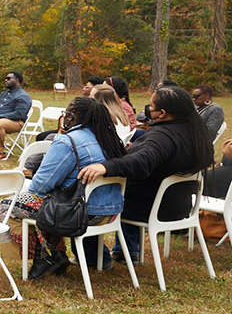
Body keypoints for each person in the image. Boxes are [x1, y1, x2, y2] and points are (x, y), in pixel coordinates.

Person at [79, 85, 215, 263]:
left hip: (150, 208)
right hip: (179, 206)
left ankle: (95, 258)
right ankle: (126, 251)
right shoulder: (195, 132)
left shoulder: (162, 137)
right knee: (132, 191)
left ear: (162, 113)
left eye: (151, 106)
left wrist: (105, 167)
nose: (148, 109)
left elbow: (141, 161)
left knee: (93, 198)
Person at [0, 97, 126, 278]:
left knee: (8, 205)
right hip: (111, 211)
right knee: (46, 203)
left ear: (72, 117)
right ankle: (58, 255)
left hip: (79, 213)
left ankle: (41, 259)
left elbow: (40, 186)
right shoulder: (108, 138)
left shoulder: (67, 141)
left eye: (65, 114)